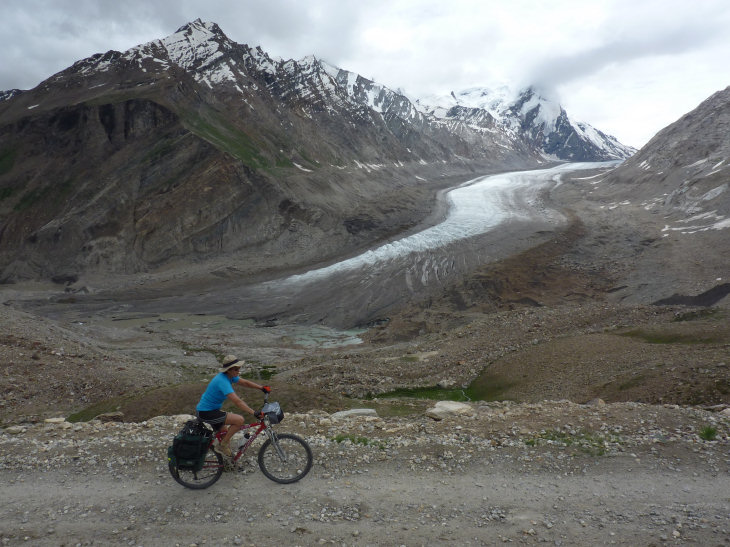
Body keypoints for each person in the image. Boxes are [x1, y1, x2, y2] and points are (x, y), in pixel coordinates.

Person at [196, 355, 271, 457]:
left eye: (239, 368)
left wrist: (261, 388)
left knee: (225, 433)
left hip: (211, 410)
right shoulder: (222, 381)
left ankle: (227, 462)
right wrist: (254, 412)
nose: (238, 371)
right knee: (239, 420)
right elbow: (237, 401)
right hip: (206, 412)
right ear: (229, 370)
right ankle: (222, 446)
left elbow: (245, 382)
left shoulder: (230, 376)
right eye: (236, 369)